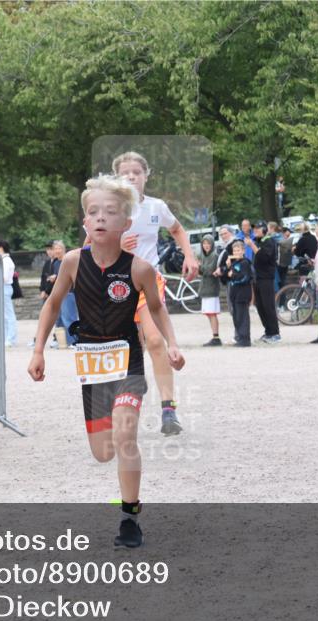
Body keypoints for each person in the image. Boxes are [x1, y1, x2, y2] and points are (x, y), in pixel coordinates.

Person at [28, 175, 185, 549]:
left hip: (127, 364)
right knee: (103, 452)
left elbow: (159, 309)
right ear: (84, 223)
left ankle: (130, 517)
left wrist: (172, 344)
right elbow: (51, 305)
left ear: (125, 224)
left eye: (109, 212)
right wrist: (38, 350)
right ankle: (122, 480)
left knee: (125, 434)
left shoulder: (139, 269)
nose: (100, 218)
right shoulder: (71, 263)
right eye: (92, 212)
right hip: (92, 366)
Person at [113, 151, 198, 436]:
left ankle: (168, 410)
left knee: (154, 340)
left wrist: (190, 256)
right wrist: (118, 244)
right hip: (117, 284)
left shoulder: (156, 207)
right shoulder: (110, 207)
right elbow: (90, 245)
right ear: (117, 177)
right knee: (129, 347)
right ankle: (136, 378)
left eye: (136, 171)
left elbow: (177, 229)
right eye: (125, 172)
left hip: (149, 280)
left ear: (146, 176)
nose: (131, 176)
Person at [243, 221, 280, 343]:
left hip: (266, 279)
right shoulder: (259, 241)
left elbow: (264, 257)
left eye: (258, 229)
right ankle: (268, 332)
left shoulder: (269, 241)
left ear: (264, 230)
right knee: (260, 306)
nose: (255, 231)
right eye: (254, 229)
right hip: (257, 278)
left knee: (268, 306)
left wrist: (252, 246)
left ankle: (275, 333)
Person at [221, 240, 252, 347]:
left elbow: (245, 278)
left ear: (243, 251)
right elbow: (225, 278)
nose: (236, 252)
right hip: (234, 294)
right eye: (234, 250)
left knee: (243, 316)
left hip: (243, 294)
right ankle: (239, 337)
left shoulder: (245, 263)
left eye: (238, 250)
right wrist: (228, 267)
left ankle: (245, 339)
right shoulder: (234, 263)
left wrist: (232, 275)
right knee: (236, 316)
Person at [197, 234, 223, 346]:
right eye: (204, 243)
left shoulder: (214, 255)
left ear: (212, 244)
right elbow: (202, 272)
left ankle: (216, 337)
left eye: (208, 243)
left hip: (211, 288)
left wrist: (199, 266)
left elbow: (209, 270)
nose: (206, 246)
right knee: (209, 313)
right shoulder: (203, 256)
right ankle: (215, 336)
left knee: (212, 314)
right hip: (205, 288)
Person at [0, 238, 18, 347]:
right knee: (4, 315)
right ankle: (6, 338)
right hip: (2, 288)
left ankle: (10, 339)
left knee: (9, 315)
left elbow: (3, 277)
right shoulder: (3, 260)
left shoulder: (6, 261)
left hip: (4, 287)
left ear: (1, 247)